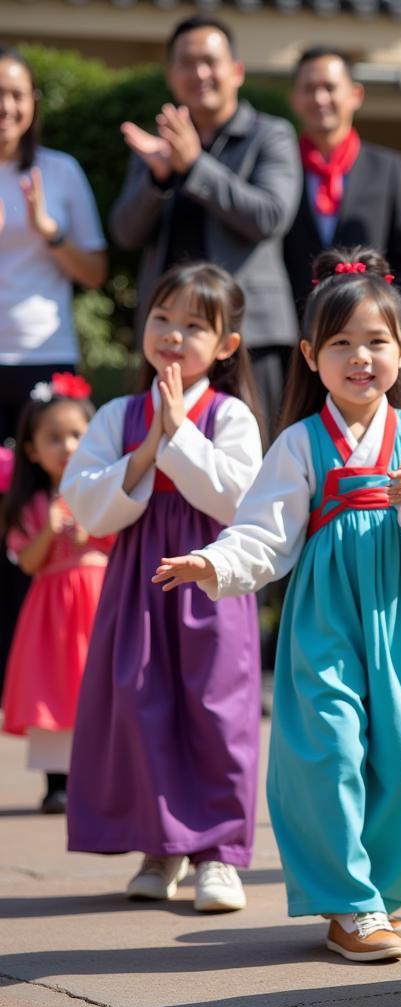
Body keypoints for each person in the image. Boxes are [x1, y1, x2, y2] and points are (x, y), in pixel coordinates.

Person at [154, 248, 401, 963]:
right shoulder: (299, 441)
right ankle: (348, 902)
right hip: (325, 616)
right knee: (326, 750)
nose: (361, 357)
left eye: (377, 341)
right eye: (341, 343)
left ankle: (376, 891)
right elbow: (264, 529)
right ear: (310, 356)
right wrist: (216, 561)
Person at [61, 263, 264, 914]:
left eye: (194, 326)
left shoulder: (230, 415)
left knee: (217, 707)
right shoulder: (120, 413)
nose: (173, 336)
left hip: (210, 575)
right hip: (140, 579)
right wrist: (148, 446)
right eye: (162, 319)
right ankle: (160, 845)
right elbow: (87, 506)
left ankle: (219, 856)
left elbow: (239, 499)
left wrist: (177, 437)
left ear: (227, 345)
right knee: (141, 699)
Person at [109, 15, 300, 434]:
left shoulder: (271, 135)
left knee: (253, 460)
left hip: (248, 333)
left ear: (236, 71)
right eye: (185, 63)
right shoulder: (159, 143)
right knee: (162, 448)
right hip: (170, 337)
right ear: (170, 74)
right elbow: (124, 232)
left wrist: (195, 165)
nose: (198, 73)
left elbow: (269, 216)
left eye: (210, 62)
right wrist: (159, 178)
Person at [0, 46, 107, 687]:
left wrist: (48, 230)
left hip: (44, 357)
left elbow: (95, 274)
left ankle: (41, 661)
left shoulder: (61, 173)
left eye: (14, 94)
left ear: (32, 104)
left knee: (46, 512)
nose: (4, 107)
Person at [1, 373, 111, 815]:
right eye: (53, 438)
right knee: (53, 685)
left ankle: (103, 773)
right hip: (51, 608)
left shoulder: (103, 494)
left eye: (76, 435)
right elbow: (26, 561)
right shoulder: (29, 504)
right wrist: (48, 530)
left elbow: (119, 542)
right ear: (31, 449)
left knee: (96, 684)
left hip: (99, 599)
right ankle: (57, 781)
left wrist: (93, 530)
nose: (66, 447)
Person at [283, 47, 401, 315]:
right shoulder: (280, 166)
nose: (320, 98)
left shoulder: (388, 167)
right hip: (292, 330)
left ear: (355, 94)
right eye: (309, 88)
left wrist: (391, 314)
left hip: (368, 324)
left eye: (330, 87)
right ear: (295, 99)